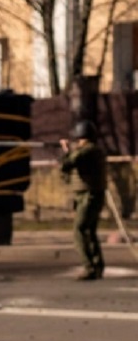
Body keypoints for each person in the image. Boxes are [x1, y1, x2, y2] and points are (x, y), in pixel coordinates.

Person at [59, 119, 108, 280]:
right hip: (87, 195)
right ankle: (96, 265)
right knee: (89, 231)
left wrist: (66, 150)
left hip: (89, 196)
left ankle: (89, 266)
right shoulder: (91, 150)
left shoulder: (88, 151)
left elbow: (68, 163)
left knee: (79, 230)